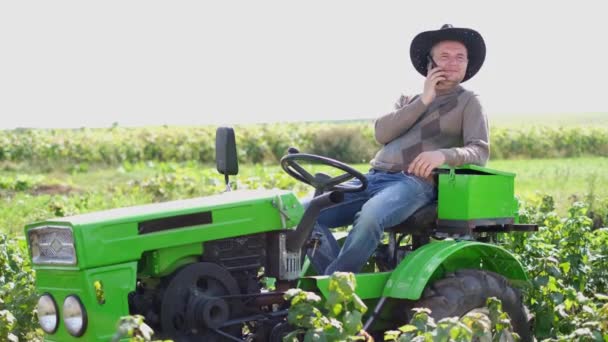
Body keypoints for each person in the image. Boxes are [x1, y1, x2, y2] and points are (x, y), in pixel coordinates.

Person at [308, 24, 490, 275]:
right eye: (444, 57)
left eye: (460, 57)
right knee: (303, 213)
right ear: (430, 63)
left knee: (371, 215)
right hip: (372, 178)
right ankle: (332, 275)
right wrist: (424, 100)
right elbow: (382, 133)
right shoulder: (411, 100)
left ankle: (334, 284)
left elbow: (479, 151)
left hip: (414, 183)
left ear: (468, 64)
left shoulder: (469, 102)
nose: (453, 63)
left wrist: (443, 155)